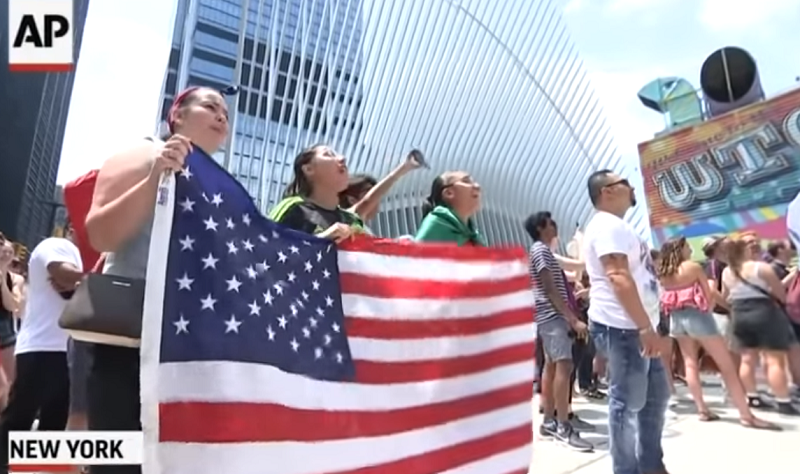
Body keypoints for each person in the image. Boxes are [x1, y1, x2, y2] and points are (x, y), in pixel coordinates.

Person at [85, 86, 227, 474]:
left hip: (190, 348)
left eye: (226, 115)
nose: (222, 118)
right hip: (131, 338)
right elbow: (101, 235)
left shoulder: (217, 187)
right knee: (119, 461)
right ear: (176, 115)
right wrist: (155, 177)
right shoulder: (142, 153)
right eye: (211, 107)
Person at [583, 170, 669, 474]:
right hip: (624, 328)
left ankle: (650, 465)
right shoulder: (608, 226)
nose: (632, 187)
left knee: (655, 397)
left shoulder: (618, 227)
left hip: (638, 326)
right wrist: (644, 328)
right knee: (628, 404)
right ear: (606, 192)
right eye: (624, 183)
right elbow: (617, 277)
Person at [657, 236, 778, 429]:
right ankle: (746, 415)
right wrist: (714, 307)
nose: (690, 249)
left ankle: (702, 409)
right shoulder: (693, 267)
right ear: (680, 249)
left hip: (677, 320)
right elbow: (710, 293)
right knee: (727, 366)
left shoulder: (664, 272)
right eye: (687, 246)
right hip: (698, 317)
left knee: (690, 363)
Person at [0, 222, 83, 472]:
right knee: (19, 419)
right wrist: (92, 281)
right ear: (71, 228)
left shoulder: (84, 258)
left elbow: (72, 284)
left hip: (67, 352)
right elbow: (63, 273)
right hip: (41, 349)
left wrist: (84, 283)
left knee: (54, 425)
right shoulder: (55, 245)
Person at [524, 212, 593, 451]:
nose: (555, 226)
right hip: (553, 317)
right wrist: (572, 319)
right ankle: (563, 425)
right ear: (543, 227)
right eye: (551, 223)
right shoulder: (541, 251)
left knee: (552, 367)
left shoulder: (540, 251)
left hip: (548, 317)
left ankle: (551, 421)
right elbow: (550, 288)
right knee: (564, 365)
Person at [721, 236, 800, 415]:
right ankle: (783, 401)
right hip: (764, 312)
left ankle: (753, 397)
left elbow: (725, 296)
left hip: (739, 314)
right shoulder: (762, 268)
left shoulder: (727, 271)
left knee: (747, 359)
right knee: (774, 360)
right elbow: (781, 295)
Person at [268, 145, 364, 240]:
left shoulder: (352, 221)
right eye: (328, 154)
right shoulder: (292, 208)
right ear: (308, 169)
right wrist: (321, 239)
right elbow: (264, 246)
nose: (343, 158)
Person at [338, 152, 422, 234]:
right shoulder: (348, 221)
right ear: (352, 200)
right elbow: (367, 201)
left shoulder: (362, 228)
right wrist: (405, 167)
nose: (377, 199)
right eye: (369, 193)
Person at [414, 171, 484, 245]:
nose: (477, 186)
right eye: (466, 181)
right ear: (449, 193)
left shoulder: (474, 235)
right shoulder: (437, 226)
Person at [0, 238, 23, 406]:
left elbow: (13, 305)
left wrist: (2, 280)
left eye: (10, 252)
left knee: (9, 385)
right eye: (3, 250)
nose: (6, 254)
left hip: (6, 335)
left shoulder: (16, 279)